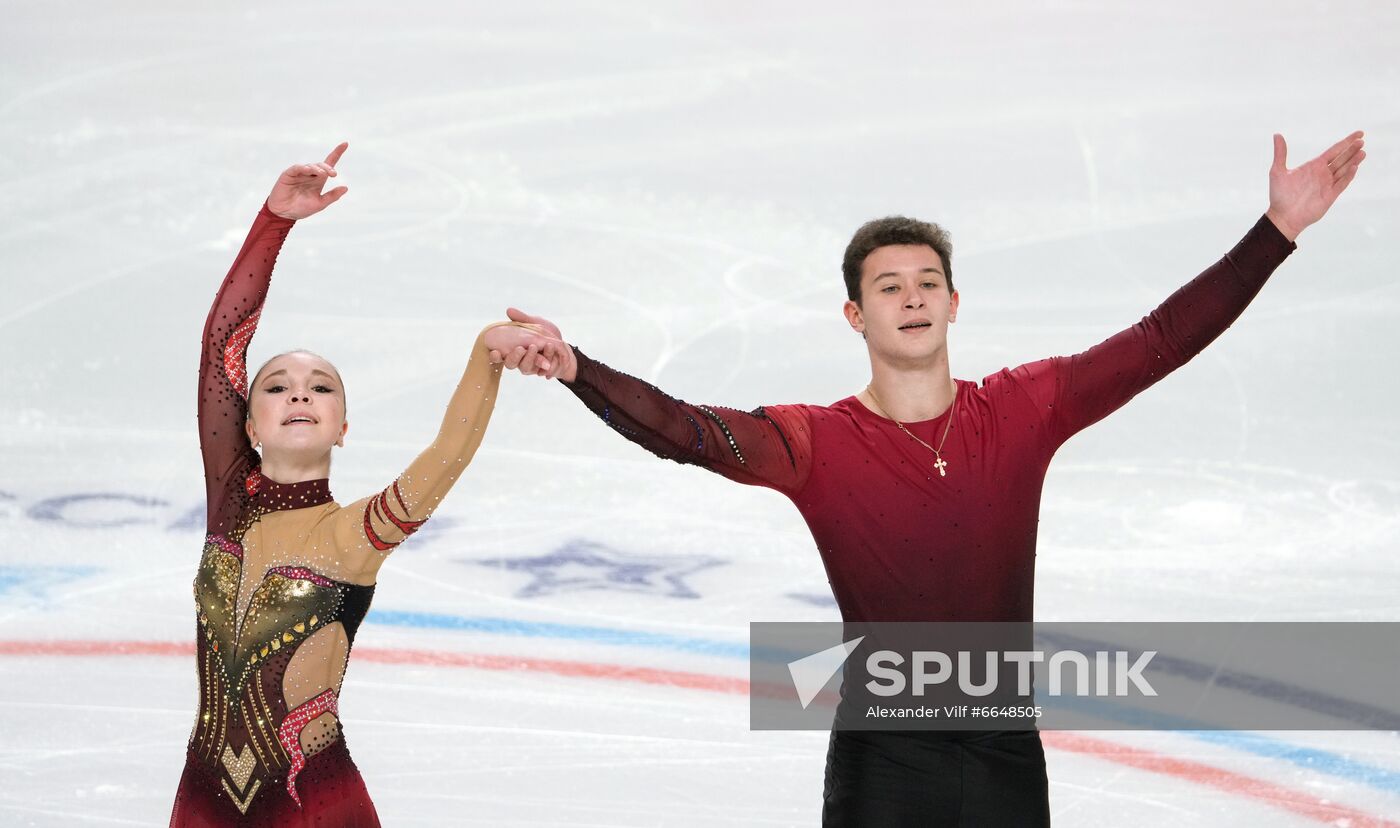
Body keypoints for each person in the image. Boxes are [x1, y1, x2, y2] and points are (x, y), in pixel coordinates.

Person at [488, 131, 1366, 826]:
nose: (911, 298)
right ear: (854, 313)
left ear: (953, 302)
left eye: (928, 282)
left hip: (1004, 752)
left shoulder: (1024, 409)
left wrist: (1276, 233)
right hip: (884, 765)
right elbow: (688, 432)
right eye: (889, 286)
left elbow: (1159, 342)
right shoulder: (817, 442)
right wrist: (578, 368)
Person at [170, 143, 552, 826]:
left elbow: (448, 453)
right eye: (277, 385)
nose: (300, 395)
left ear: (343, 426)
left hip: (314, 808)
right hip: (204, 805)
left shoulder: (351, 537)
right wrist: (273, 221)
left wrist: (485, 357)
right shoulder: (230, 501)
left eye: (322, 388)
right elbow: (222, 344)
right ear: (248, 422)